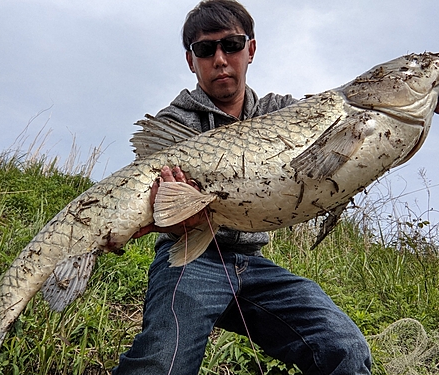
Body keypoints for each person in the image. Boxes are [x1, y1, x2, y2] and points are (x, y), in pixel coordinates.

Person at [113, 1, 374, 374]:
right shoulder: (173, 124)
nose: (220, 58)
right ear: (191, 60)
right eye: (206, 49)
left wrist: (417, 101)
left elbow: (343, 113)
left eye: (231, 45)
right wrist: (174, 216)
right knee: (160, 364)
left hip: (254, 265)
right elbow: (162, 212)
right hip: (190, 260)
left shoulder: (282, 112)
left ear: (250, 49)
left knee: (345, 348)